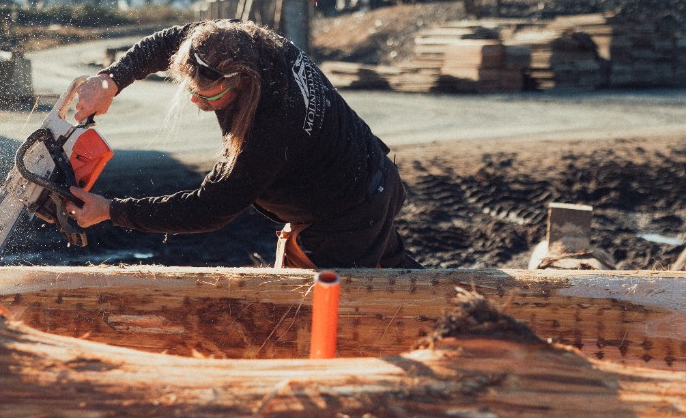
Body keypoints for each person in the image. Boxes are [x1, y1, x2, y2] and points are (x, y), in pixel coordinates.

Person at [63, 19, 420, 269]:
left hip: (347, 217)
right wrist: (111, 80)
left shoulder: (270, 128)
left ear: (240, 84)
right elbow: (167, 42)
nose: (194, 101)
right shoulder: (233, 40)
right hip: (373, 176)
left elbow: (209, 208)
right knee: (402, 280)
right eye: (189, 89)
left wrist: (110, 210)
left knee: (311, 321)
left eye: (206, 95)